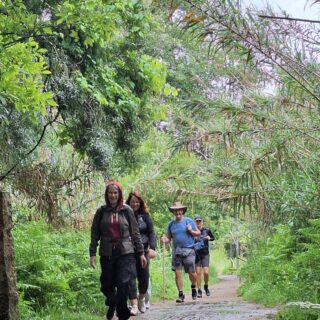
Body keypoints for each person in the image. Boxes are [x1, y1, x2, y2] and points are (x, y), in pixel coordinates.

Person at [89, 180, 147, 320]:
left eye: (115, 193)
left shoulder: (127, 210)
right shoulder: (101, 211)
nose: (113, 195)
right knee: (107, 282)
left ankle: (122, 314)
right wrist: (92, 253)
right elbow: (95, 233)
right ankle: (112, 303)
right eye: (110, 193)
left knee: (124, 283)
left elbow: (135, 233)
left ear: (119, 194)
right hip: (107, 252)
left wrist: (141, 253)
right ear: (106, 194)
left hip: (125, 253)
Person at [160, 201, 200, 303]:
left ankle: (193, 287)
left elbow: (198, 233)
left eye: (179, 210)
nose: (178, 212)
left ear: (182, 211)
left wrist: (191, 230)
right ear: (173, 212)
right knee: (177, 273)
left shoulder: (189, 221)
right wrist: (165, 240)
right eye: (175, 211)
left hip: (189, 250)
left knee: (192, 273)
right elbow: (169, 238)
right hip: (177, 250)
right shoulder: (171, 224)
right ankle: (181, 294)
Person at [126, 191, 156, 315]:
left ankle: (142, 299)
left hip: (144, 250)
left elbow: (152, 232)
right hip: (128, 251)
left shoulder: (145, 215)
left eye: (137, 202)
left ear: (140, 203)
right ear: (129, 202)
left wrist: (152, 247)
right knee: (131, 277)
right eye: (132, 201)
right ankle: (133, 304)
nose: (135, 204)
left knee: (144, 277)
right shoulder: (124, 214)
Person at [194, 215, 215, 297]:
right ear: (195, 222)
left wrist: (209, 238)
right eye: (197, 221)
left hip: (205, 254)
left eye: (200, 221)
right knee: (198, 273)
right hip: (196, 254)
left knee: (206, 272)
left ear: (202, 221)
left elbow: (213, 238)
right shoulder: (193, 231)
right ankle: (199, 290)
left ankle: (206, 286)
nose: (198, 223)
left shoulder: (206, 230)